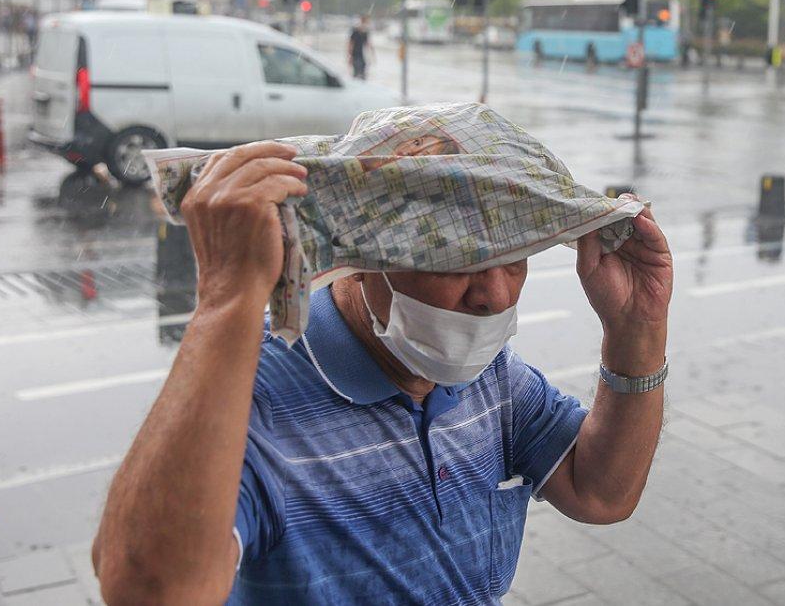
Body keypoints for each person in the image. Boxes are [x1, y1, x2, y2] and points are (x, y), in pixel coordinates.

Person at [91, 140, 673, 603]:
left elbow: (600, 493)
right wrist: (226, 300)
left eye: (512, 260)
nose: (494, 296)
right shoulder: (255, 402)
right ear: (362, 257)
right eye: (456, 259)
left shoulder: (492, 377)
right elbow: (149, 590)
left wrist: (635, 332)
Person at [347, 15, 374, 80]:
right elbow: (350, 44)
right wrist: (350, 56)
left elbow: (368, 43)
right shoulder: (355, 31)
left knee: (363, 75)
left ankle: (362, 88)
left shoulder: (365, 32)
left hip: (363, 56)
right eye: (366, 22)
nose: (367, 24)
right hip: (355, 55)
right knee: (356, 74)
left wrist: (372, 53)